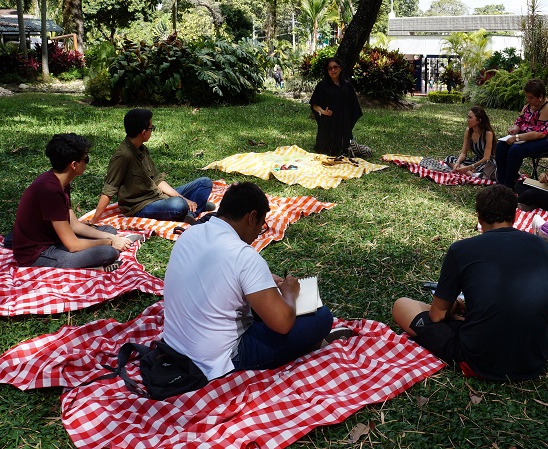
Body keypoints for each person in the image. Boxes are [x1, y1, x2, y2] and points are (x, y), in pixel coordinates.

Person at [163, 182, 350, 380]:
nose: (258, 234)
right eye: (262, 225)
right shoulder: (244, 255)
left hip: (176, 345)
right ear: (252, 218)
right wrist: (289, 292)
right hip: (217, 360)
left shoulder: (190, 233)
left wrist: (262, 282)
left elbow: (216, 274)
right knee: (322, 318)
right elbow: (283, 324)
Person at [392, 185, 548, 381]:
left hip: (480, 360)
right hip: (534, 358)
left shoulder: (461, 250)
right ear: (515, 217)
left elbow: (436, 316)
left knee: (401, 306)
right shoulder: (540, 245)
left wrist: (456, 307)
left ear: (479, 219)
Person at [12, 133, 132, 270]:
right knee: (108, 252)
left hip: (56, 240)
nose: (87, 162)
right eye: (86, 159)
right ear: (74, 165)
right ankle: (92, 266)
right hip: (38, 254)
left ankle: (92, 263)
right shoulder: (50, 191)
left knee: (109, 229)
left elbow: (74, 225)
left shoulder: (61, 182)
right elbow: (72, 245)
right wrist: (110, 242)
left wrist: (110, 236)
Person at [89, 109, 214, 225]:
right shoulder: (123, 156)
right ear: (144, 132)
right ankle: (196, 206)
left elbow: (157, 179)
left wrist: (183, 197)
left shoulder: (142, 149)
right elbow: (109, 190)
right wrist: (95, 220)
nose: (152, 130)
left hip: (158, 196)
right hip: (141, 205)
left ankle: (192, 211)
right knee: (179, 204)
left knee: (205, 182)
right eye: (151, 128)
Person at [495, 79, 548, 188]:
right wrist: (515, 129)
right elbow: (519, 121)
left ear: (540, 97)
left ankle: (508, 185)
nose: (528, 100)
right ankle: (501, 181)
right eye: (527, 97)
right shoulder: (528, 106)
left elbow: (540, 134)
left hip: (545, 141)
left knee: (515, 150)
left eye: (531, 98)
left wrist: (517, 137)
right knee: (501, 146)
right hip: (525, 137)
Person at [309, 58, 365, 157]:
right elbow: (314, 105)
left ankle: (349, 147)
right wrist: (323, 112)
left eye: (335, 67)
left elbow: (354, 106)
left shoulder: (347, 85)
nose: (333, 70)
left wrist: (347, 118)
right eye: (330, 68)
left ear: (340, 68)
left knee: (344, 149)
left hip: (344, 123)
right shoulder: (322, 85)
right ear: (327, 71)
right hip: (328, 123)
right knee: (324, 151)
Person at [444, 106, 496, 176]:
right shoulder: (468, 131)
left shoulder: (488, 133)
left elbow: (486, 158)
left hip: (486, 162)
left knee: (488, 169)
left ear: (479, 120)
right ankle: (471, 173)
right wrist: (457, 163)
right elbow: (463, 153)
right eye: (467, 117)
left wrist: (470, 167)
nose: (467, 120)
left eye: (470, 118)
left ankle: (468, 172)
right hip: (475, 160)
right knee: (449, 158)